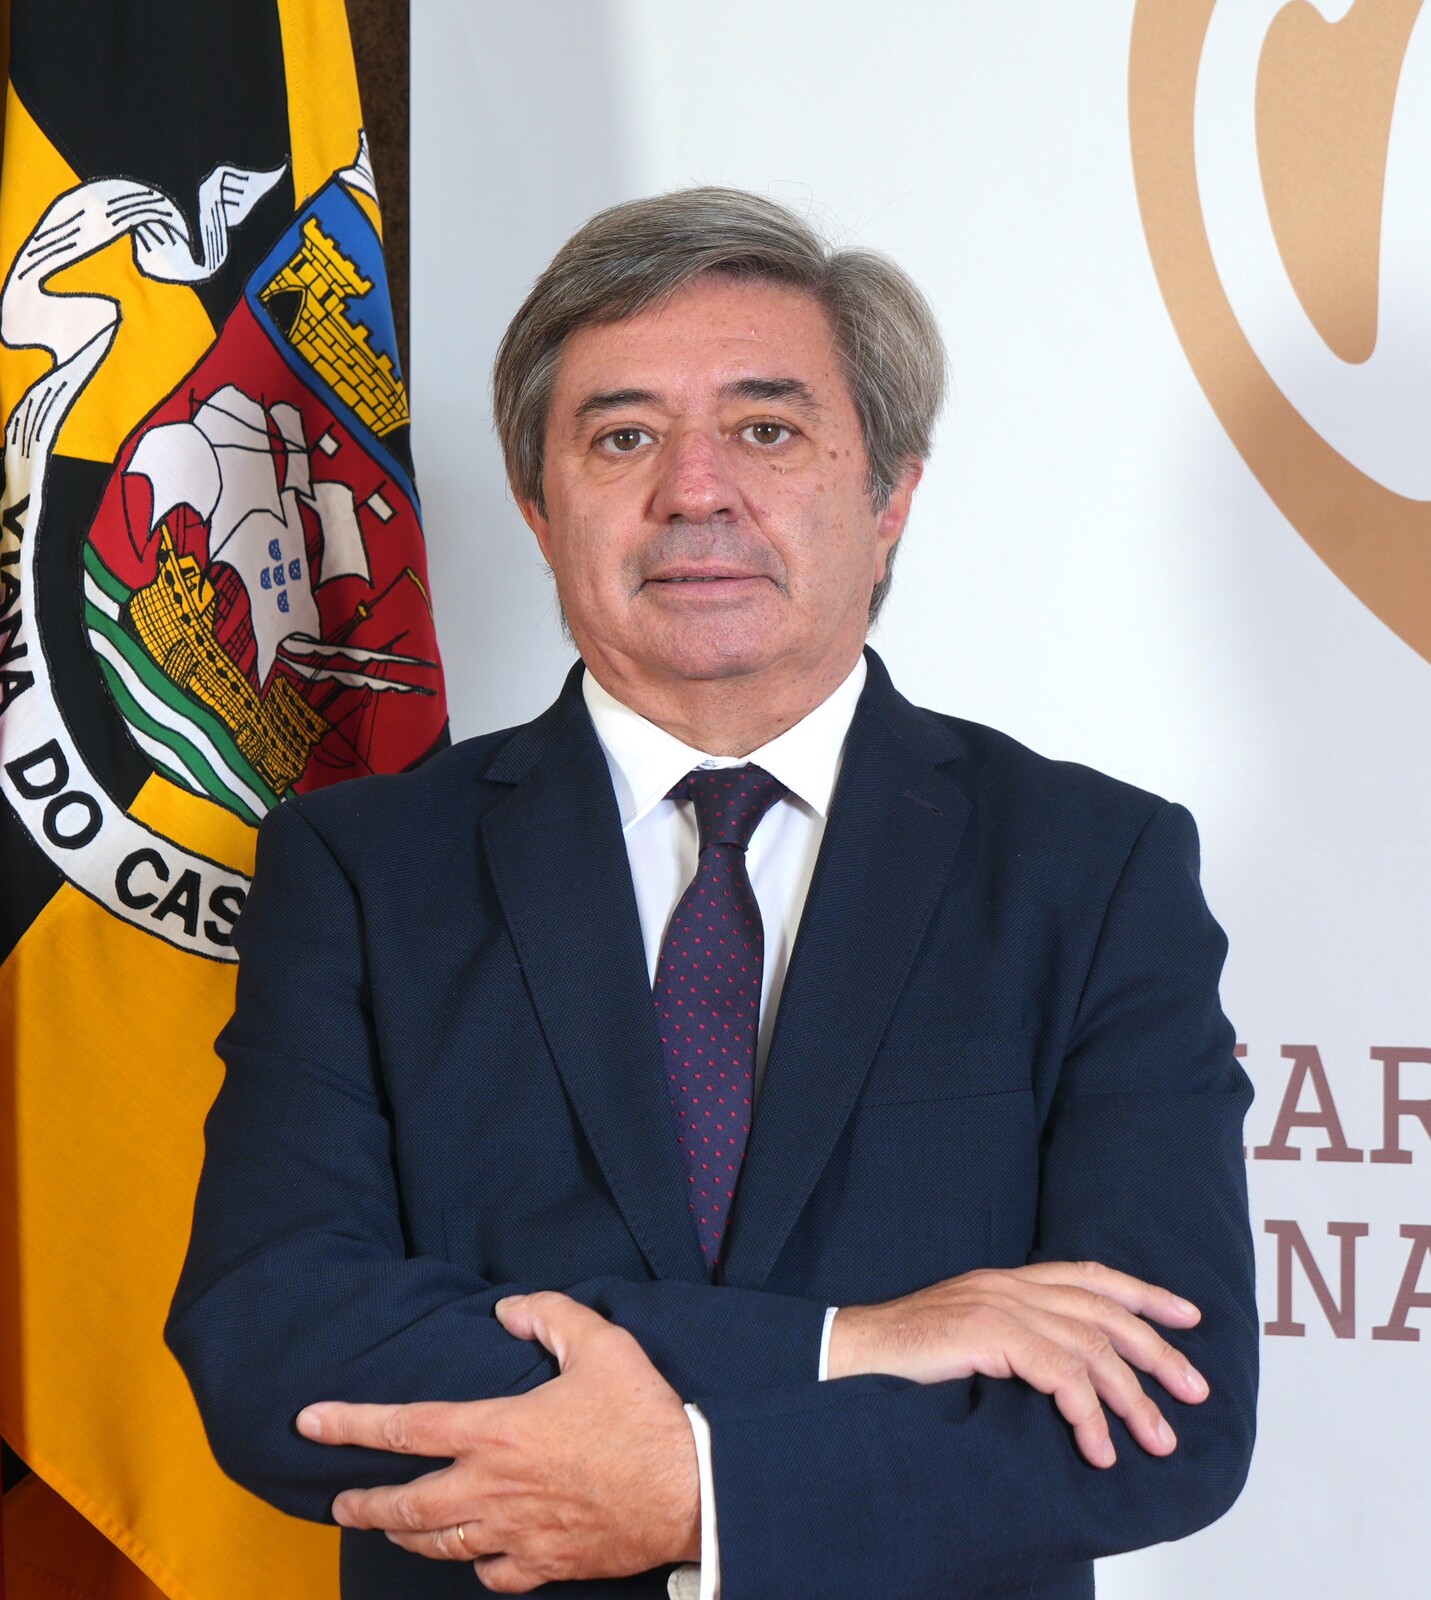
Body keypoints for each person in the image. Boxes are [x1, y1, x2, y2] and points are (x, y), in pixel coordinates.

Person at [167, 187, 1257, 1600]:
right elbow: (274, 1340)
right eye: (622, 436)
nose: (694, 491)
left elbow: (1162, 1410)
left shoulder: (1090, 866)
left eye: (767, 431)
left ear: (891, 496)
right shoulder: (363, 872)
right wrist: (845, 1343)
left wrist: (695, 1494)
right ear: (538, 506)